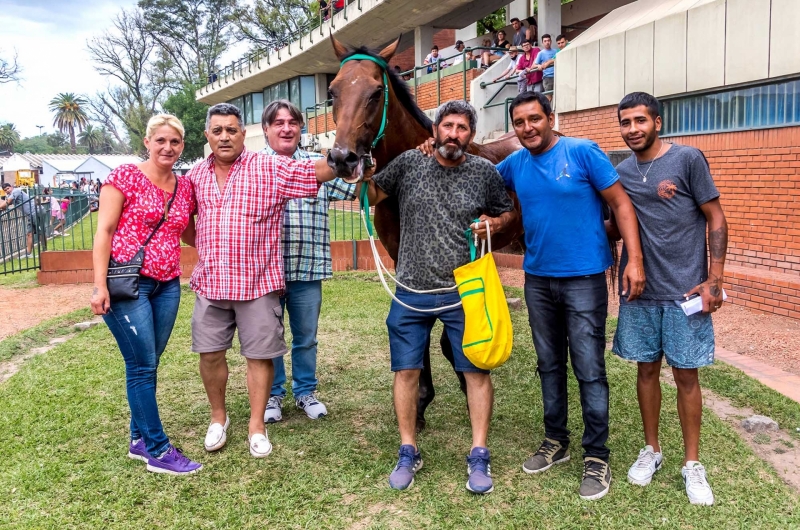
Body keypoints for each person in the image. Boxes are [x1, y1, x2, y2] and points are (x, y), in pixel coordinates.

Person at [497, 92, 644, 501]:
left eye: (534, 119)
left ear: (550, 117)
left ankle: (596, 455)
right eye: (520, 122)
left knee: (589, 368)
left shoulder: (583, 152)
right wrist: (430, 148)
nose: (528, 128)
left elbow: (621, 204)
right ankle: (555, 440)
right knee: (548, 364)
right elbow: (476, 171)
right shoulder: (516, 163)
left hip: (583, 280)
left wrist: (635, 260)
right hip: (538, 281)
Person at [364, 101, 516, 494]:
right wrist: (360, 173)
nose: (453, 134)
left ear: (471, 133)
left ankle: (479, 453)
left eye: (462, 127)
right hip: (411, 291)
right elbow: (372, 194)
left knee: (476, 372)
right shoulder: (408, 164)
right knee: (406, 372)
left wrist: (495, 222)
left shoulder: (484, 172)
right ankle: (408, 448)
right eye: (446, 126)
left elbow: (507, 213)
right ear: (434, 130)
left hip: (463, 292)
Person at [186, 103, 345, 459]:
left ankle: (256, 426)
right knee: (210, 354)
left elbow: (315, 173)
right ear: (207, 136)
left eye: (231, 130)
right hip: (211, 283)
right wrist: (209, 244)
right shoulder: (195, 175)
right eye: (217, 130)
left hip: (257, 284)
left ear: (244, 133)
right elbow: (182, 219)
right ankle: (218, 418)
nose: (224, 136)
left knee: (260, 356)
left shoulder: (269, 166)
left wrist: (341, 157)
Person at [613, 92, 727, 506]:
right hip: (641, 291)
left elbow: (715, 216)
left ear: (657, 122)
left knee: (686, 376)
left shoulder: (688, 160)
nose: (632, 130)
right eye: (625, 123)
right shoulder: (622, 171)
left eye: (640, 121)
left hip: (685, 291)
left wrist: (714, 280)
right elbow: (617, 223)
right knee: (646, 371)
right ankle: (652, 451)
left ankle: (692, 464)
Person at [90, 114, 202, 476]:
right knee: (143, 365)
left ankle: (138, 439)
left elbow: (187, 234)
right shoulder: (125, 176)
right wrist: (99, 285)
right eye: (161, 141)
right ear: (148, 143)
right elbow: (104, 231)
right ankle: (157, 448)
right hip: (128, 283)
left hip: (167, 284)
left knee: (146, 361)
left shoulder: (184, 187)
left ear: (182, 146)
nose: (168, 148)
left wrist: (217, 250)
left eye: (175, 142)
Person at [259, 100, 357, 424]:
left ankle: (304, 392)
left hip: (307, 267)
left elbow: (353, 185)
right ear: (266, 129)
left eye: (292, 122)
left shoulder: (321, 166)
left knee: (305, 337)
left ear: (301, 128)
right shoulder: (255, 168)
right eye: (278, 122)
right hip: (265, 272)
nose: (286, 128)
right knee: (270, 337)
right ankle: (273, 395)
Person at [0, 182, 34, 258]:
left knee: (40, 232)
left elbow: (8, 202)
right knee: (29, 234)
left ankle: (45, 251)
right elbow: (5, 206)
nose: (7, 191)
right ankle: (28, 254)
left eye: (8, 188)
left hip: (34, 212)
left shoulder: (16, 191)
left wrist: (3, 204)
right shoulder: (9, 195)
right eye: (5, 190)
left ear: (11, 187)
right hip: (30, 215)